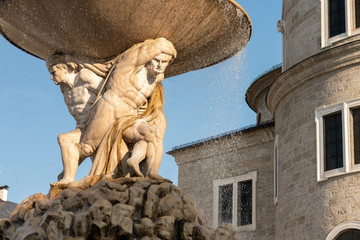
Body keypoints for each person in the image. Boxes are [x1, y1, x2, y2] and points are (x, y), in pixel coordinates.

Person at [52, 38, 177, 187]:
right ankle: (68, 176)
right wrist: (164, 45)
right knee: (87, 148)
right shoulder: (130, 65)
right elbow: (143, 52)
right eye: (157, 61)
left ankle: (152, 173)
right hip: (110, 109)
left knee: (153, 134)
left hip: (129, 116)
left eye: (165, 62)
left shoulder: (158, 77)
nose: (160, 66)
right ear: (149, 58)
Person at [47, 59, 106, 186]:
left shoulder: (84, 76)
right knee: (98, 172)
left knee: (64, 139)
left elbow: (107, 92)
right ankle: (67, 177)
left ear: (65, 68)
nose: (52, 77)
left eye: (54, 72)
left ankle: (68, 178)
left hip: (97, 124)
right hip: (82, 127)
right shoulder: (65, 89)